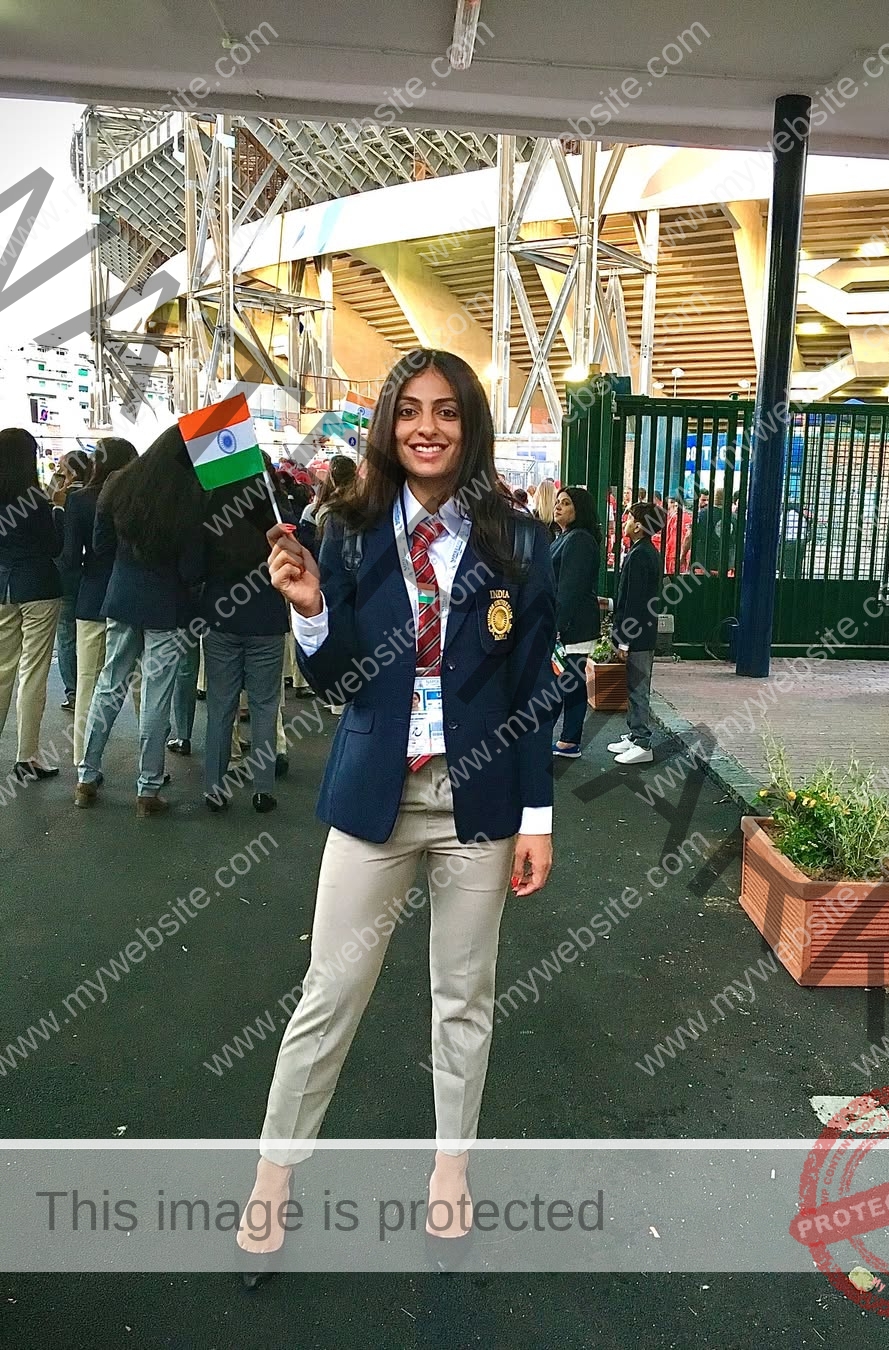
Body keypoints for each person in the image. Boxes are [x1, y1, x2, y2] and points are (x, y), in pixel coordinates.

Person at [236, 348, 556, 1276]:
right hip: (376, 792)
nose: (428, 427)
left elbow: (535, 684)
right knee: (328, 995)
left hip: (481, 800)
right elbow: (336, 680)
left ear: (470, 424)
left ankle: (450, 1171)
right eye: (410, 409)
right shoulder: (344, 531)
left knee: (464, 999)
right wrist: (307, 613)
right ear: (388, 423)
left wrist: (537, 813)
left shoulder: (516, 538)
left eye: (447, 411)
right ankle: (273, 1180)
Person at [74, 425, 204, 816]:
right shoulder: (188, 493)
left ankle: (86, 775)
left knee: (109, 683)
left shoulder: (119, 481)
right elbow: (192, 565)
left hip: (122, 596)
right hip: (167, 604)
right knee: (156, 693)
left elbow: (101, 546)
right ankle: (147, 788)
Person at [201, 467, 290, 815]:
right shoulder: (274, 515)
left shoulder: (212, 514)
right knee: (265, 706)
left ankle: (214, 788)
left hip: (221, 617)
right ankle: (263, 789)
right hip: (265, 618)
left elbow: (196, 565)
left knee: (220, 708)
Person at [61, 436, 138, 765]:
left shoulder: (77, 500)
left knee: (88, 682)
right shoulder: (139, 499)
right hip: (132, 597)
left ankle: (83, 762)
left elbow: (69, 556)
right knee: (140, 682)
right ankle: (148, 766)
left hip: (91, 597)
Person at [0, 427, 63, 782]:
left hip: (1, 587)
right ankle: (27, 756)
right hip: (37, 587)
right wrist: (57, 511)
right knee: (33, 671)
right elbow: (54, 548)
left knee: (1, 669)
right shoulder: (35, 501)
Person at [608, 500, 663, 765]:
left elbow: (635, 602)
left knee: (638, 687)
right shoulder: (643, 551)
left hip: (638, 636)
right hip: (641, 633)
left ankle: (643, 741)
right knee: (634, 685)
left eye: (629, 517)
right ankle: (634, 734)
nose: (625, 522)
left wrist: (625, 640)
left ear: (639, 526)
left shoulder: (641, 555)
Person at [550, 485, 601, 759]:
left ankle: (570, 740)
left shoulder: (579, 540)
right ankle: (567, 738)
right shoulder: (565, 536)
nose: (559, 506)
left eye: (566, 503)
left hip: (573, 627)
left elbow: (569, 589)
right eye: (558, 502)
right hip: (567, 625)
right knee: (567, 681)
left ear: (578, 509)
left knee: (569, 681)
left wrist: (555, 627)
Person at [51, 450, 92, 711]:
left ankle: (74, 692)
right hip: (92, 575)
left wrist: (56, 505)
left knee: (66, 636)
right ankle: (88, 688)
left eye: (61, 468)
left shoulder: (66, 499)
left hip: (67, 575)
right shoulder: (96, 495)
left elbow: (61, 541)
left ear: (72, 472)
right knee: (89, 636)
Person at [297, 454, 356, 555]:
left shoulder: (312, 511)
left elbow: (305, 548)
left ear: (330, 477)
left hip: (320, 564)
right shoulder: (366, 509)